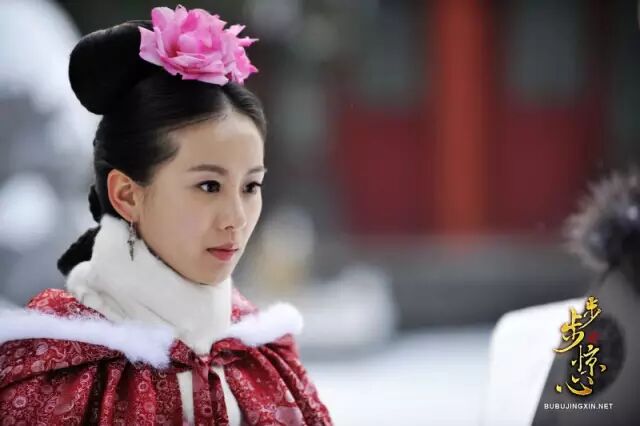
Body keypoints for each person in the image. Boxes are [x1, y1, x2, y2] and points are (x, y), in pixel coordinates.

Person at [0, 5, 333, 425]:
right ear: (127, 194)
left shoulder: (264, 358)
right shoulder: (54, 371)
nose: (236, 218)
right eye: (208, 186)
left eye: (250, 187)